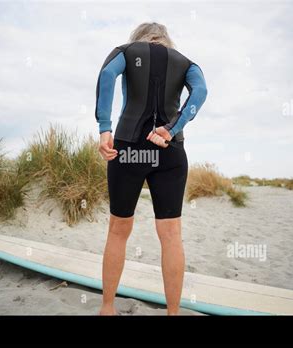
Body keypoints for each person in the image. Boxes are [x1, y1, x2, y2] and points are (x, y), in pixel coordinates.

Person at [95, 22, 207, 315]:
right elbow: (201, 92)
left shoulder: (127, 52)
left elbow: (107, 74)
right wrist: (173, 128)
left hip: (128, 149)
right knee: (171, 235)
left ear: (138, 38)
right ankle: (173, 313)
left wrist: (104, 128)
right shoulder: (185, 62)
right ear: (167, 40)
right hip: (169, 151)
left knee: (118, 230)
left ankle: (107, 308)